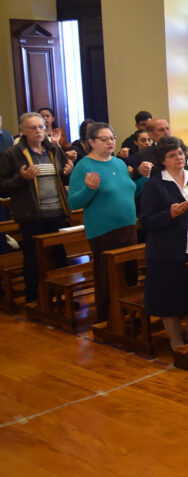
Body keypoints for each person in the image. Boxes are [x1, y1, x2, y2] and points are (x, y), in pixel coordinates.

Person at [138, 136, 188, 349]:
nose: (179, 158)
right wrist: (169, 215)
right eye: (172, 155)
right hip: (167, 253)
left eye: (181, 153)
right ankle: (176, 342)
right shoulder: (154, 185)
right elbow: (145, 221)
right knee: (170, 300)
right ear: (162, 160)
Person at [68, 122, 138, 322]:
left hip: (128, 225)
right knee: (107, 275)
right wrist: (88, 189)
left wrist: (143, 179)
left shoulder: (118, 163)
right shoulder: (84, 167)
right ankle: (107, 317)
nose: (110, 142)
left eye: (112, 138)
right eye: (104, 139)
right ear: (90, 141)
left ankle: (130, 313)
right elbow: (73, 201)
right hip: (103, 230)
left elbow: (129, 190)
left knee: (130, 272)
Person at [0, 113, 73, 302]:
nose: (38, 131)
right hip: (31, 214)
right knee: (33, 257)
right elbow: (2, 185)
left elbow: (63, 178)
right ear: (22, 131)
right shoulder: (12, 154)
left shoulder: (53, 150)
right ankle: (33, 297)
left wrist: (67, 172)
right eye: (33, 128)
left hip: (57, 211)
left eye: (41, 127)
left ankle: (63, 296)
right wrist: (21, 178)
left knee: (59, 254)